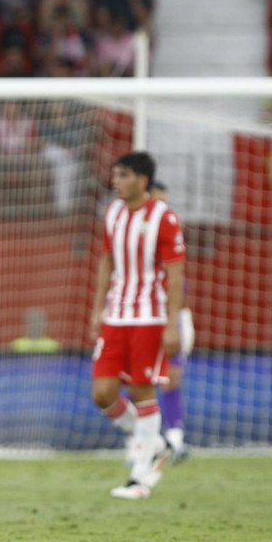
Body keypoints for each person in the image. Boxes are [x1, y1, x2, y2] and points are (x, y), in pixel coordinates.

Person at [89, 151, 186, 500]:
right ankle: (156, 443)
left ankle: (141, 479)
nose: (116, 180)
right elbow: (107, 260)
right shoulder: (113, 213)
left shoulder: (164, 218)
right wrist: (98, 308)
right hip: (116, 315)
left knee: (142, 392)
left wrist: (172, 324)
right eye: (115, 174)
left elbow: (175, 276)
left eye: (124, 174)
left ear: (142, 180)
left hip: (149, 316)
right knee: (102, 393)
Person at [150, 180, 191, 461]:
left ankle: (175, 438)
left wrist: (181, 322)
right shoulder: (132, 237)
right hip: (140, 316)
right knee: (136, 381)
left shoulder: (170, 233)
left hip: (172, 316)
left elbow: (178, 283)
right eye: (159, 201)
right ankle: (144, 441)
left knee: (172, 379)